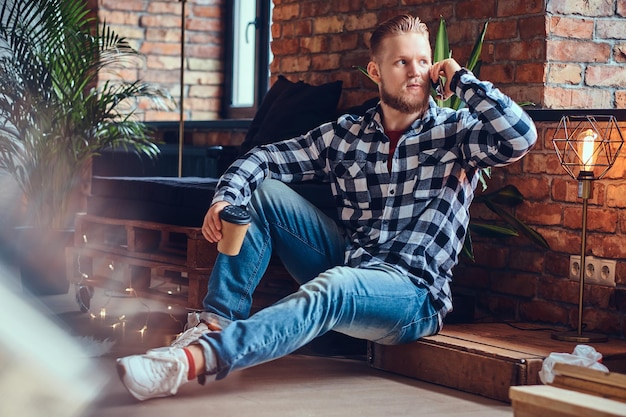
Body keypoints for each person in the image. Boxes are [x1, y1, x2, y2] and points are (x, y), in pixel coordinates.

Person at [116, 14, 537, 401]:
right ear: (375, 71)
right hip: (352, 260)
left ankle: (192, 362)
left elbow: (520, 136)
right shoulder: (344, 135)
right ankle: (213, 325)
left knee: (338, 284)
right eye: (401, 63)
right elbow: (262, 158)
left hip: (412, 296)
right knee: (263, 193)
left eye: (423, 61)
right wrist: (226, 195)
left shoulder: (457, 133)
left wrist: (462, 79)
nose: (416, 73)